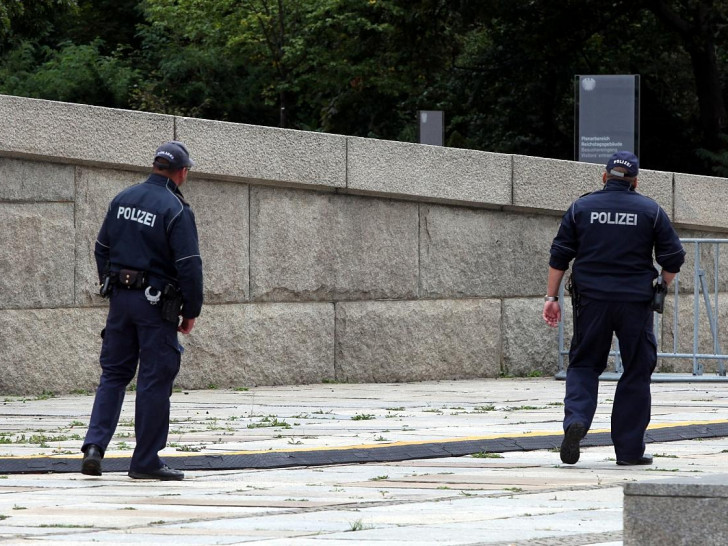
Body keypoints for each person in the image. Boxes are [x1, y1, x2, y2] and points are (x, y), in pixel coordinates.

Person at [543, 151, 684, 466]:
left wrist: (551, 298)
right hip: (635, 303)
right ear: (635, 181)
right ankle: (629, 451)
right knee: (636, 369)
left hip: (591, 301)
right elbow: (673, 257)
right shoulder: (650, 211)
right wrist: (662, 285)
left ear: (604, 177)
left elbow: (559, 255)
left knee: (583, 363)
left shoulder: (582, 207)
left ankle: (576, 420)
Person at [81, 141, 204, 481]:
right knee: (153, 379)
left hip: (120, 300)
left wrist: (111, 282)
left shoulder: (122, 199)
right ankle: (145, 461)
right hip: (154, 305)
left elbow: (101, 248)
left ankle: (94, 447)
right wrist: (191, 309)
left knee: (114, 375)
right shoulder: (175, 208)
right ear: (182, 172)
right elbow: (189, 265)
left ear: (155, 166)